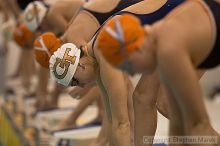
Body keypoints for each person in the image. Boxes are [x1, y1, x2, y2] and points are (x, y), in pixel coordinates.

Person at [96, 0, 220, 145]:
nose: (134, 73)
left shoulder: (168, 48)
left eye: (130, 67)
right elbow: (177, 128)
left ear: (137, 49)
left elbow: (199, 125)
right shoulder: (162, 45)